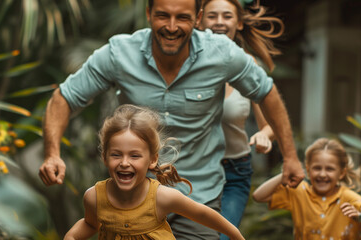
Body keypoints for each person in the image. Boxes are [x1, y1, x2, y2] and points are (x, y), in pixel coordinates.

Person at [39, 0, 304, 238]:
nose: (172, 26)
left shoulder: (221, 54)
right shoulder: (119, 53)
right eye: (163, 16)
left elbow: (267, 93)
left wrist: (290, 157)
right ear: (148, 13)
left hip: (198, 196)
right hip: (131, 201)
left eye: (183, 18)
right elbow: (64, 97)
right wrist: (52, 153)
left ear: (198, 18)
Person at [63, 105, 245, 240]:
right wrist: (71, 237)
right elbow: (90, 224)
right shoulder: (94, 197)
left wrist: (235, 234)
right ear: (104, 157)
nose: (124, 163)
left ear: (152, 160)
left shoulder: (162, 197)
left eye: (135, 156)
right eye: (116, 155)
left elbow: (202, 214)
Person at [197, 0, 284, 237]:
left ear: (239, 22)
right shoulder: (185, 62)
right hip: (192, 170)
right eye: (212, 16)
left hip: (233, 173)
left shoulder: (248, 65)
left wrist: (263, 136)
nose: (219, 23)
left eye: (227, 16)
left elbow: (270, 125)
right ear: (199, 19)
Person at [252, 138, 361, 239]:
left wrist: (359, 216)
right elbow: (258, 196)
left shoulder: (348, 197)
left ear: (341, 173)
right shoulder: (299, 191)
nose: (322, 174)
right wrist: (285, 173)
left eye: (329, 169)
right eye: (317, 168)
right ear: (308, 170)